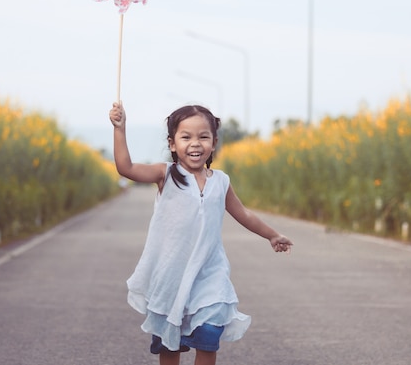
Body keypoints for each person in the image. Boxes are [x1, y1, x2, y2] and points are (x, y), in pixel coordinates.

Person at [109, 101, 293, 365]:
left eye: (203, 137)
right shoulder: (166, 174)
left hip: (209, 274)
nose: (195, 143)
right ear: (173, 144)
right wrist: (120, 128)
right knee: (170, 345)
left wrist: (272, 235)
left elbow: (243, 214)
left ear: (214, 143)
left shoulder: (221, 181)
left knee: (209, 334)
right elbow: (125, 168)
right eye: (186, 137)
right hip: (171, 275)